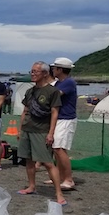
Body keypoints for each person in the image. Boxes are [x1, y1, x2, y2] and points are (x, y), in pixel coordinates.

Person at [16, 62, 67, 205]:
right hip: (27, 128)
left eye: (36, 71)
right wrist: (20, 129)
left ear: (45, 73)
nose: (33, 74)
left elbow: (55, 113)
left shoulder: (52, 91)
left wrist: (51, 133)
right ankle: (31, 186)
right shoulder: (30, 91)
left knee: (48, 162)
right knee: (29, 160)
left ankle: (59, 193)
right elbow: (25, 111)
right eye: (31, 71)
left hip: (41, 130)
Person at [48, 57, 78, 190]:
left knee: (59, 149)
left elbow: (54, 96)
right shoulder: (59, 82)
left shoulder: (68, 82)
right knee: (56, 148)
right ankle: (59, 177)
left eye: (55, 68)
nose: (53, 70)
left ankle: (68, 179)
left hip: (66, 119)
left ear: (60, 69)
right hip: (60, 118)